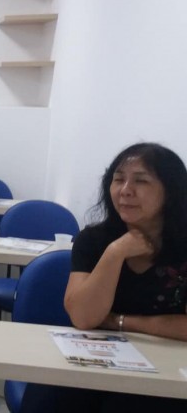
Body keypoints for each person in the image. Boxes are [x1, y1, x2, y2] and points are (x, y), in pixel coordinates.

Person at [21, 143, 187, 413]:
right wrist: (115, 253)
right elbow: (84, 318)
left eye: (141, 181)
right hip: (90, 363)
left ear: (171, 190)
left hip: (165, 374)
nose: (125, 190)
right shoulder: (94, 240)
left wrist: (119, 322)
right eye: (118, 179)